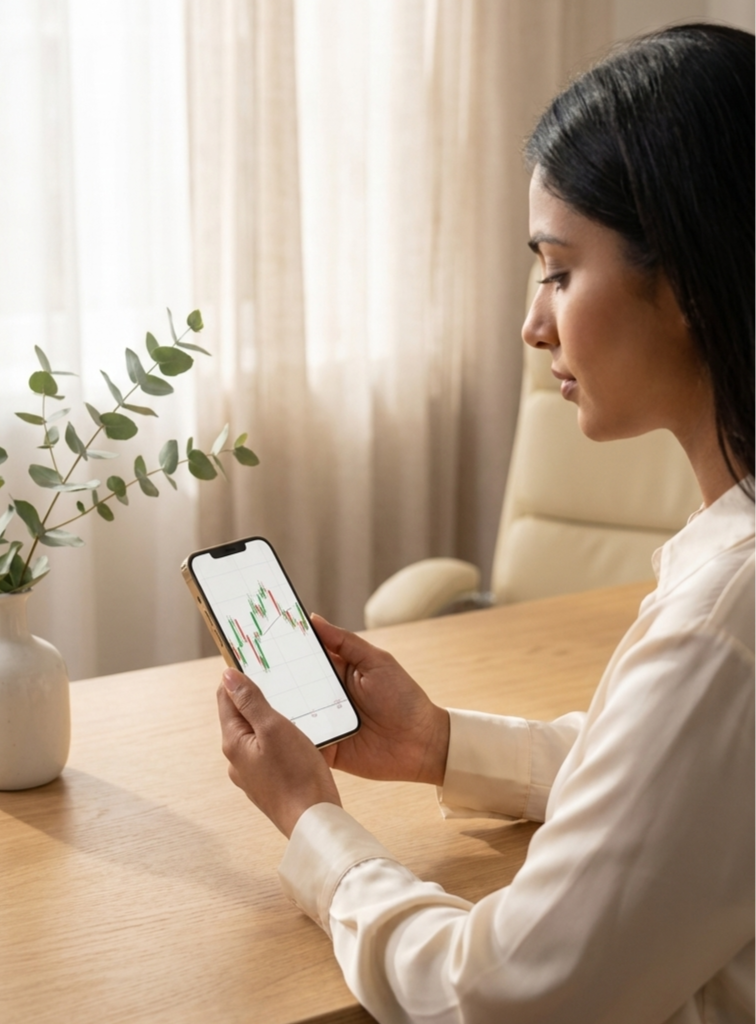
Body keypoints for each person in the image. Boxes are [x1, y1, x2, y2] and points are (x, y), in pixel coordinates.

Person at [216, 24, 756, 1024]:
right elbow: (679, 784)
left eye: (557, 270)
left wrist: (313, 827)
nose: (532, 323)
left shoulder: (726, 621)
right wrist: (441, 744)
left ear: (681, 283)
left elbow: (502, 995)